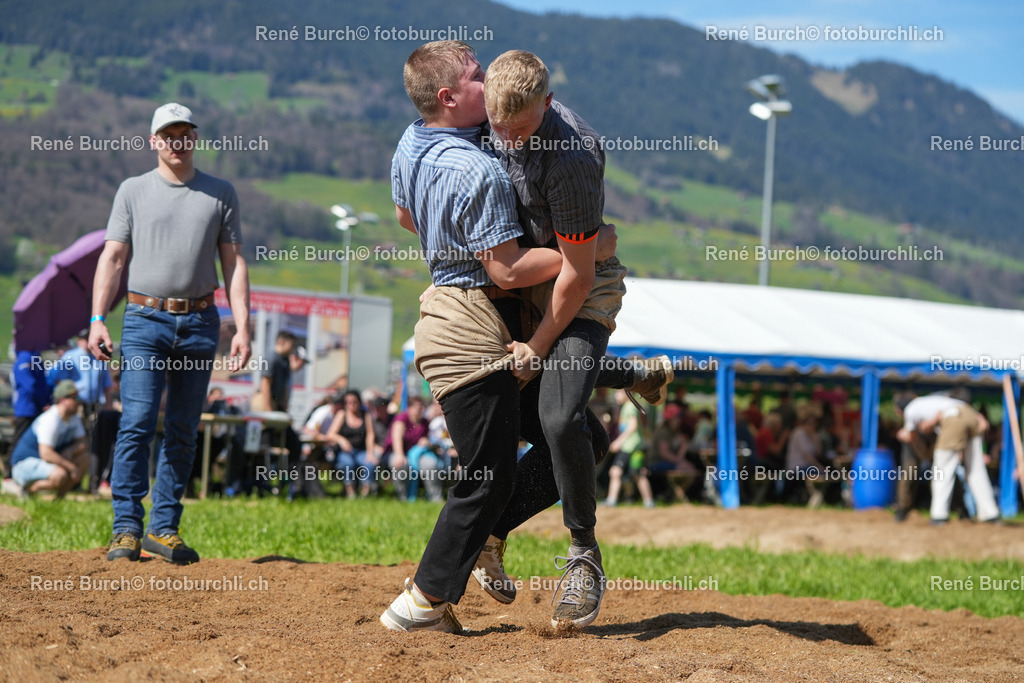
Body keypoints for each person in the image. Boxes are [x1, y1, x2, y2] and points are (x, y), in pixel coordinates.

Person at [381, 40, 616, 634]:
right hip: (475, 324)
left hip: (472, 310)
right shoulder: (479, 162)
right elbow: (507, 272)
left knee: (581, 433)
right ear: (449, 96)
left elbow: (407, 216)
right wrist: (588, 247)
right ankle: (422, 604)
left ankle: (503, 546)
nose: (483, 82)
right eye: (474, 74)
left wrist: (447, 248)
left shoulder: (414, 140)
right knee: (490, 474)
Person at [473, 49, 674, 629]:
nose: (506, 141)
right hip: (530, 283)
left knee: (562, 421)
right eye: (497, 127)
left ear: (547, 103)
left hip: (581, 292)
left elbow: (579, 274)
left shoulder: (572, 156)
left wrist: (536, 347)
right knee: (571, 430)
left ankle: (583, 554)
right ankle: (633, 374)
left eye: (520, 128)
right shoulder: (491, 117)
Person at [90, 102, 251, 564]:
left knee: (183, 429)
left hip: (201, 321)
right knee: (137, 422)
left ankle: (163, 528)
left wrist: (241, 326)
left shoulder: (220, 193)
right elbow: (114, 258)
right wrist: (97, 318)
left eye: (184, 133)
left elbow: (234, 263)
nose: (177, 142)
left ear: (193, 138)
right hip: (144, 320)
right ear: (154, 141)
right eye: (168, 134)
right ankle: (125, 528)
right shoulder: (132, 190)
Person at [896, 393, 999, 524]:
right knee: (976, 469)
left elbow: (911, 437)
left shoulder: (910, 410)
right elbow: (928, 426)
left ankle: (939, 515)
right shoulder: (931, 400)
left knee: (942, 470)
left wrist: (900, 436)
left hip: (953, 418)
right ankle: (991, 514)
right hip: (971, 414)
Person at [255, 331, 320, 499]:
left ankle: (288, 484)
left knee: (293, 445)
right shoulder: (272, 357)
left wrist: (283, 410)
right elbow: (266, 384)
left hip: (278, 411)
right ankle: (262, 486)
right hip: (268, 410)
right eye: (291, 345)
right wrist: (269, 412)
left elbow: (283, 388)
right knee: (265, 449)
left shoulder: (284, 361)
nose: (292, 350)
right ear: (282, 342)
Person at [9, 380, 91, 498]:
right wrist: (71, 467)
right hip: (23, 464)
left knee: (85, 459)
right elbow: (46, 453)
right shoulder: (50, 419)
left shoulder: (74, 418)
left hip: (46, 462)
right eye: (75, 398)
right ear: (63, 400)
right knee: (60, 475)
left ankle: (59, 499)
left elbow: (83, 443)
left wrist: (71, 450)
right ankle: (27, 490)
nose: (80, 401)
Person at [604, 389, 654, 508]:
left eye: (619, 392)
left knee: (616, 472)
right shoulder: (626, 406)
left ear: (628, 393)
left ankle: (612, 500)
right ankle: (649, 502)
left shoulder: (629, 407)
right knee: (636, 474)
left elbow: (633, 426)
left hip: (630, 446)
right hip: (634, 446)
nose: (616, 395)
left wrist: (619, 442)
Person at [8, 349, 51, 478]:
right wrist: (43, 402)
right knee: (18, 441)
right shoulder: (25, 357)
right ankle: (8, 474)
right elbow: (29, 385)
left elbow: (43, 383)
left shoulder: (36, 357)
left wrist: (47, 401)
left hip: (38, 408)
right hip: (26, 408)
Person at [327, 390, 376, 498]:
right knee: (348, 464)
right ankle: (350, 492)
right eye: (349, 402)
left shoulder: (365, 415)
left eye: (355, 402)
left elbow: (370, 435)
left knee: (369, 464)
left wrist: (370, 453)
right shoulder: (342, 414)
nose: (352, 404)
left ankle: (365, 492)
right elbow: (331, 433)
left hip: (361, 450)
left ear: (359, 402)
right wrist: (341, 440)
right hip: (345, 452)